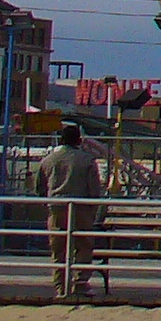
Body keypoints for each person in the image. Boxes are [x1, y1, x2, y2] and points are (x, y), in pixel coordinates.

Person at [33, 121, 106, 298]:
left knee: (58, 249)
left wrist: (48, 202)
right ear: (79, 140)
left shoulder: (48, 160)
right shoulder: (87, 160)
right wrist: (93, 209)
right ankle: (80, 283)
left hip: (57, 207)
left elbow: (39, 188)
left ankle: (60, 286)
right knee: (83, 246)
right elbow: (94, 189)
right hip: (81, 207)